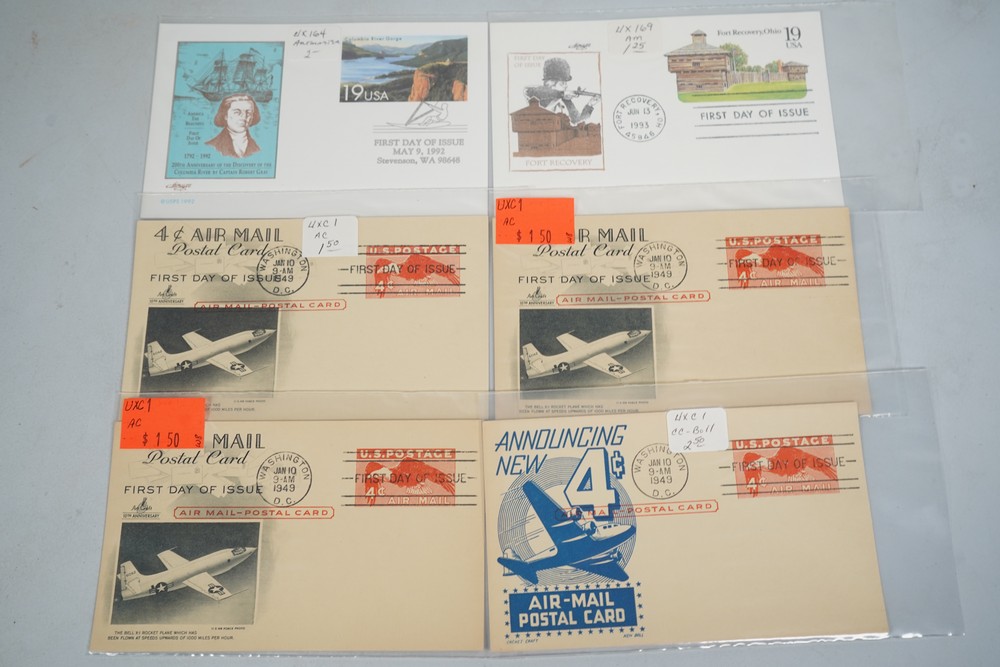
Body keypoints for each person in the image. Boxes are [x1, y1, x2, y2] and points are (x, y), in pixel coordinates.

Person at [523, 57, 600, 125]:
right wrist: (561, 94)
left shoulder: (565, 100)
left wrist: (590, 105)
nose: (566, 86)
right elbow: (528, 91)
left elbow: (577, 121)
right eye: (562, 83)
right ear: (551, 84)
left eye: (566, 83)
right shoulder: (538, 94)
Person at [205, 93, 261, 158]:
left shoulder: (257, 148)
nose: (244, 117)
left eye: (248, 113)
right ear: (225, 115)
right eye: (237, 112)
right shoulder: (212, 145)